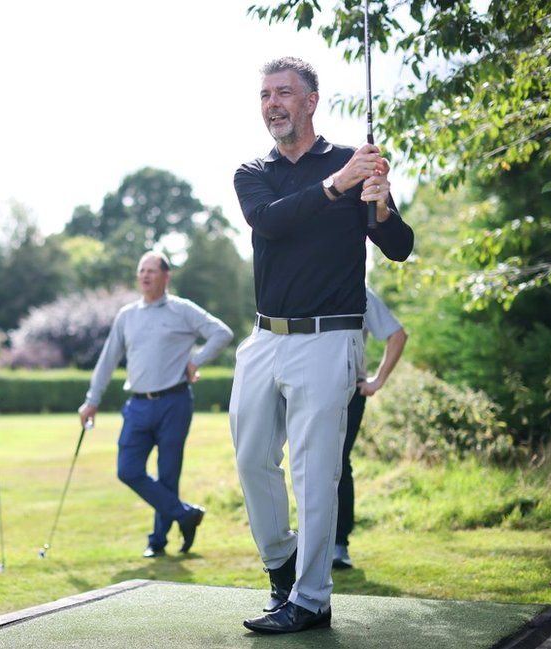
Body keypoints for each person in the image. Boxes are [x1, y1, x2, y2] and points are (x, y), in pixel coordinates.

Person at [230, 57, 414, 634]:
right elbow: (271, 222)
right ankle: (282, 564)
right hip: (264, 337)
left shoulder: (350, 162)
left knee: (313, 472)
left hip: (330, 338)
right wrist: (339, 186)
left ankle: (311, 599)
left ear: (311, 101)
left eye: (284, 93)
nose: (272, 104)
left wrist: (379, 201)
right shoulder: (251, 172)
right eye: (265, 95)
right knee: (252, 459)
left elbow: (400, 246)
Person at [78, 251, 233, 558]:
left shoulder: (182, 310)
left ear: (166, 275)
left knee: (168, 474)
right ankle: (185, 514)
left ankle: (158, 542)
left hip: (174, 402)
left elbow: (222, 333)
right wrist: (91, 401)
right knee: (128, 470)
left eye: (152, 270)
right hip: (137, 406)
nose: (145, 276)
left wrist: (196, 360)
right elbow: (108, 360)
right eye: (141, 270)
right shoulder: (127, 315)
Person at [333, 286, 407, 570]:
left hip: (349, 390)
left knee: (338, 462)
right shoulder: (305, 282)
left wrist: (377, 380)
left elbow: (397, 335)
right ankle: (311, 542)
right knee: (308, 462)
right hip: (307, 389)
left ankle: (339, 544)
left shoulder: (359, 292)